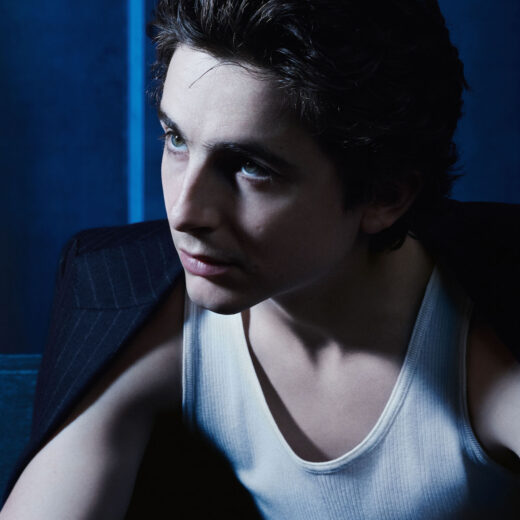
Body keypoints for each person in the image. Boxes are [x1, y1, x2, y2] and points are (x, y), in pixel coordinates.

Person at [1, 0, 519, 518]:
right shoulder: (123, 297)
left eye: (250, 167)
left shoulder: (484, 346)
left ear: (385, 196)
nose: (184, 213)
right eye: (176, 140)